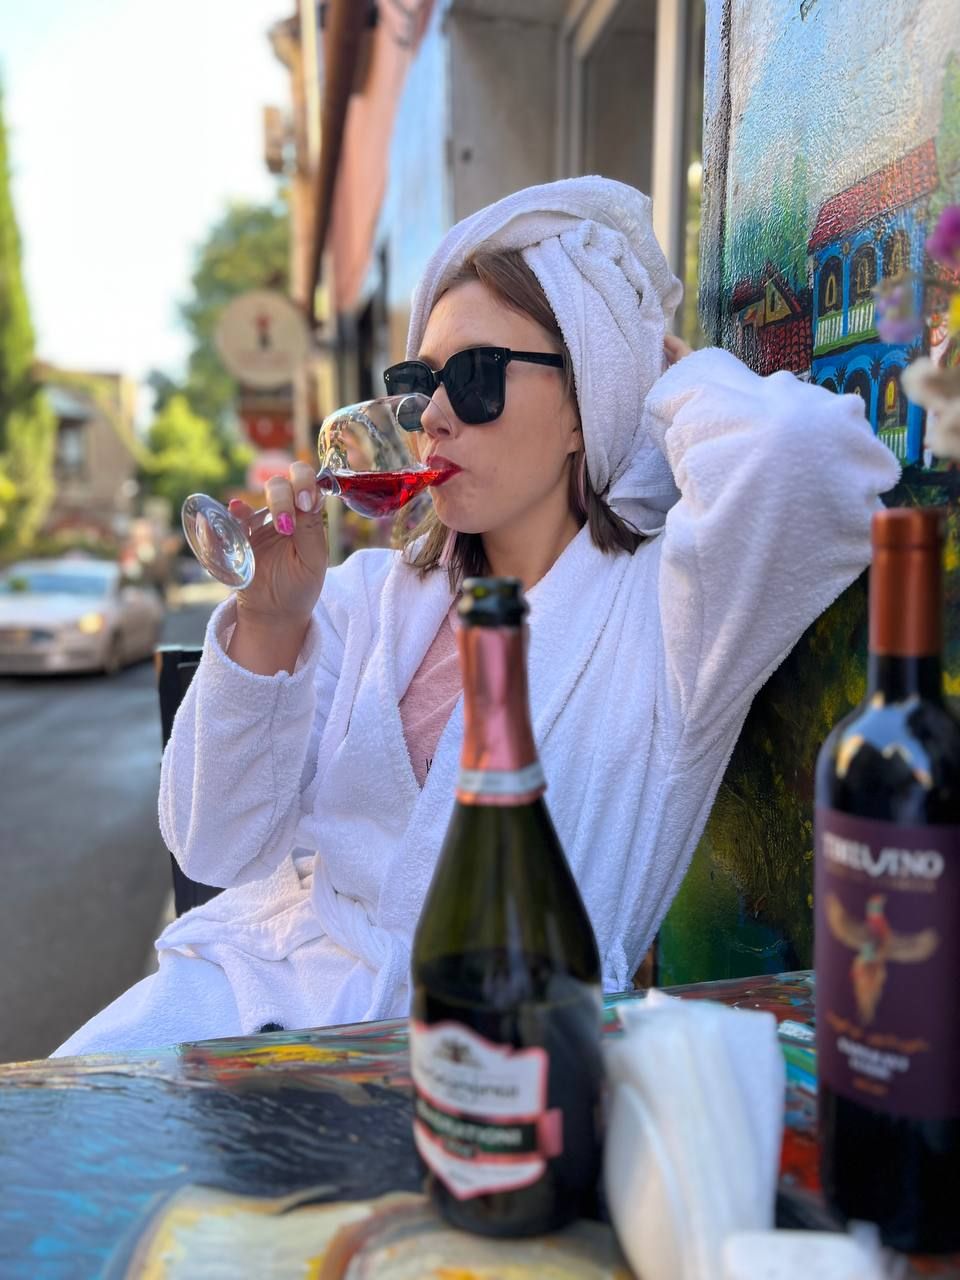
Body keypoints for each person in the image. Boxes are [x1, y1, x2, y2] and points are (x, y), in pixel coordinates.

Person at [53, 177, 899, 1056]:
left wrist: (656, 369)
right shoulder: (369, 599)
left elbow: (810, 463)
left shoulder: (668, 618)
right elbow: (214, 849)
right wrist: (268, 628)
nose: (435, 416)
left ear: (585, 401)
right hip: (259, 1004)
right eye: (421, 382)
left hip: (502, 1058)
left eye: (477, 376)